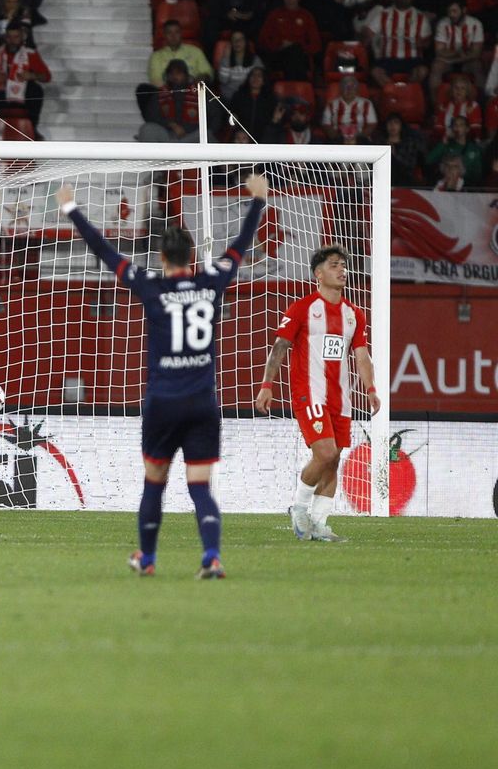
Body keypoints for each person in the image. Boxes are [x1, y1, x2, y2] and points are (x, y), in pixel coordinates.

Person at [57, 172, 270, 578]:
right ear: (192, 256)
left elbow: (105, 251)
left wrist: (72, 209)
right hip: (203, 402)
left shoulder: (149, 285)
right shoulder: (212, 281)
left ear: (161, 258)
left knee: (155, 482)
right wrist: (257, 202)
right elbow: (241, 246)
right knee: (199, 487)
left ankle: (148, 559)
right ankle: (211, 556)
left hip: (163, 403)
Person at [255, 246, 380, 542]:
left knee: (333, 460)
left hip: (341, 399)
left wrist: (371, 388)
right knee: (325, 452)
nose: (342, 270)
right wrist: (266, 384)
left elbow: (362, 356)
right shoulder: (302, 309)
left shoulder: (353, 315)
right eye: (335, 265)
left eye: (344, 265)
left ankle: (320, 524)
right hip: (309, 393)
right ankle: (298, 508)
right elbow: (279, 349)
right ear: (318, 274)